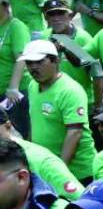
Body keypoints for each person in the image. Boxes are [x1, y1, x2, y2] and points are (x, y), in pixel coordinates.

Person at [21, 39, 97, 182]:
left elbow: (75, 132)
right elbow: (35, 121)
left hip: (76, 172)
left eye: (39, 62)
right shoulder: (32, 86)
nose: (33, 68)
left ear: (56, 61)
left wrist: (60, 170)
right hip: (46, 168)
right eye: (29, 63)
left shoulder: (69, 90)